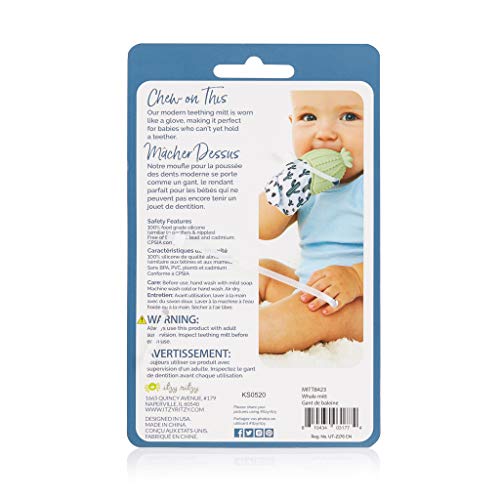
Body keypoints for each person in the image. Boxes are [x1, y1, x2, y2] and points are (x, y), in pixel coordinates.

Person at [259, 91, 364, 354]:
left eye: (349, 117)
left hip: (359, 302)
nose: (325, 133)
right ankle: (209, 313)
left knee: (305, 314)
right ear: (291, 123)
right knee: (263, 271)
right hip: (309, 288)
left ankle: (237, 333)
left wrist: (356, 277)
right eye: (308, 117)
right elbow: (262, 228)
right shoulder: (306, 184)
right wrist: (286, 187)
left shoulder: (373, 186)